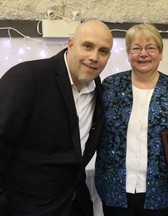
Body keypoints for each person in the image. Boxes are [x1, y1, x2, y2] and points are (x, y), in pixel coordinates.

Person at [0, 20, 113, 216]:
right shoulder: (27, 78)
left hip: (75, 204)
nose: (94, 57)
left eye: (103, 51)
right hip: (24, 208)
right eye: (87, 46)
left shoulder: (100, 93)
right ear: (70, 44)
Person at [94, 23, 168, 216]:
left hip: (163, 190)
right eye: (136, 48)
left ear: (160, 53)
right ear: (128, 53)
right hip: (115, 189)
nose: (143, 54)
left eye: (150, 48)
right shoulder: (111, 87)